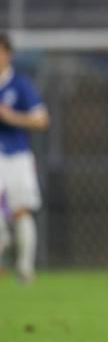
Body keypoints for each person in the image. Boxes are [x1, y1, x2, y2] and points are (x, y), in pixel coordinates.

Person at [0, 33, 50, 285]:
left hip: (16, 156)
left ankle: (25, 268)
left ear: (8, 54)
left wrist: (11, 117)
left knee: (20, 211)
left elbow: (41, 119)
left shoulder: (20, 85)